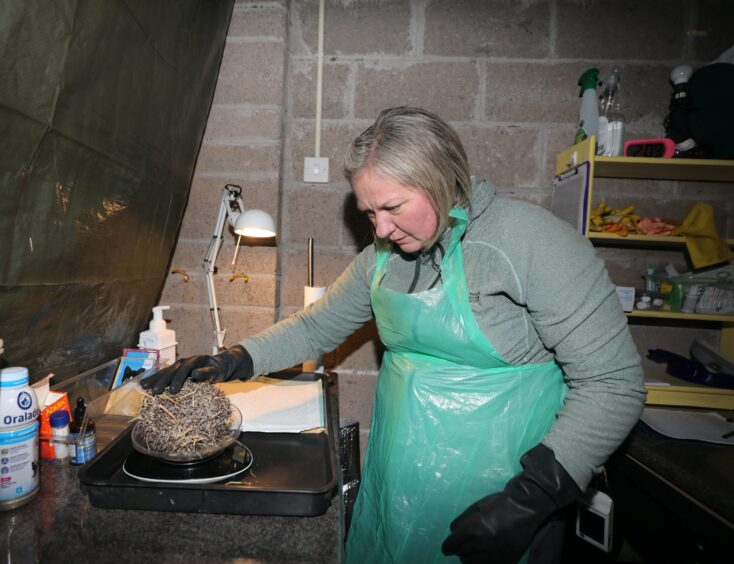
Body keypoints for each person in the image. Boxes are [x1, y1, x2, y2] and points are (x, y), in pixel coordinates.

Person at [142, 106, 646, 563]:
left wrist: (532, 495)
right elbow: (318, 325)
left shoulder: (530, 243)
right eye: (368, 213)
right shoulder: (384, 260)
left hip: (500, 496)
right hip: (399, 480)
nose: (380, 230)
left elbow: (614, 383)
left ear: (442, 180)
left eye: (394, 207)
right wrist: (234, 359)